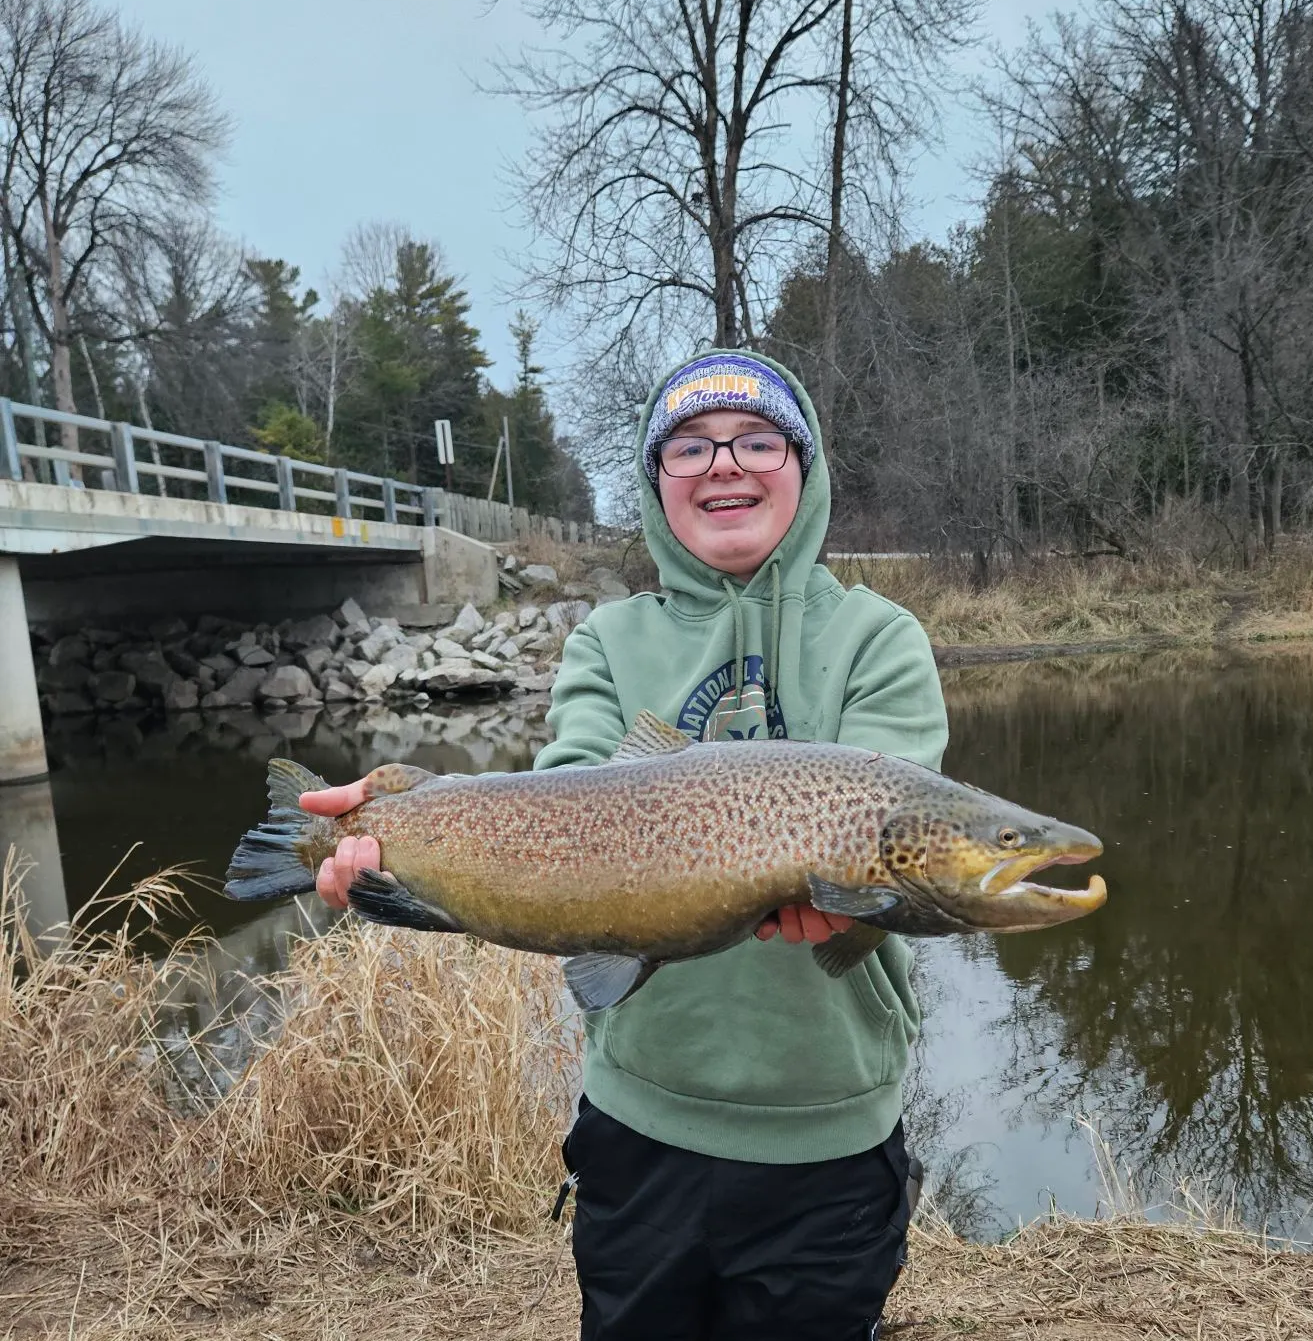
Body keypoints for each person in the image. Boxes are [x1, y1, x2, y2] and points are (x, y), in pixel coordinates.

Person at [303, 350, 949, 1340]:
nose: (723, 464)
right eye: (689, 447)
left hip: (831, 1132)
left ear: (804, 466)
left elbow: (896, 846)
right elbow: (561, 815)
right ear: (656, 486)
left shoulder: (880, 638)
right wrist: (401, 842)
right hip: (641, 1123)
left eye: (755, 440)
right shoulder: (607, 640)